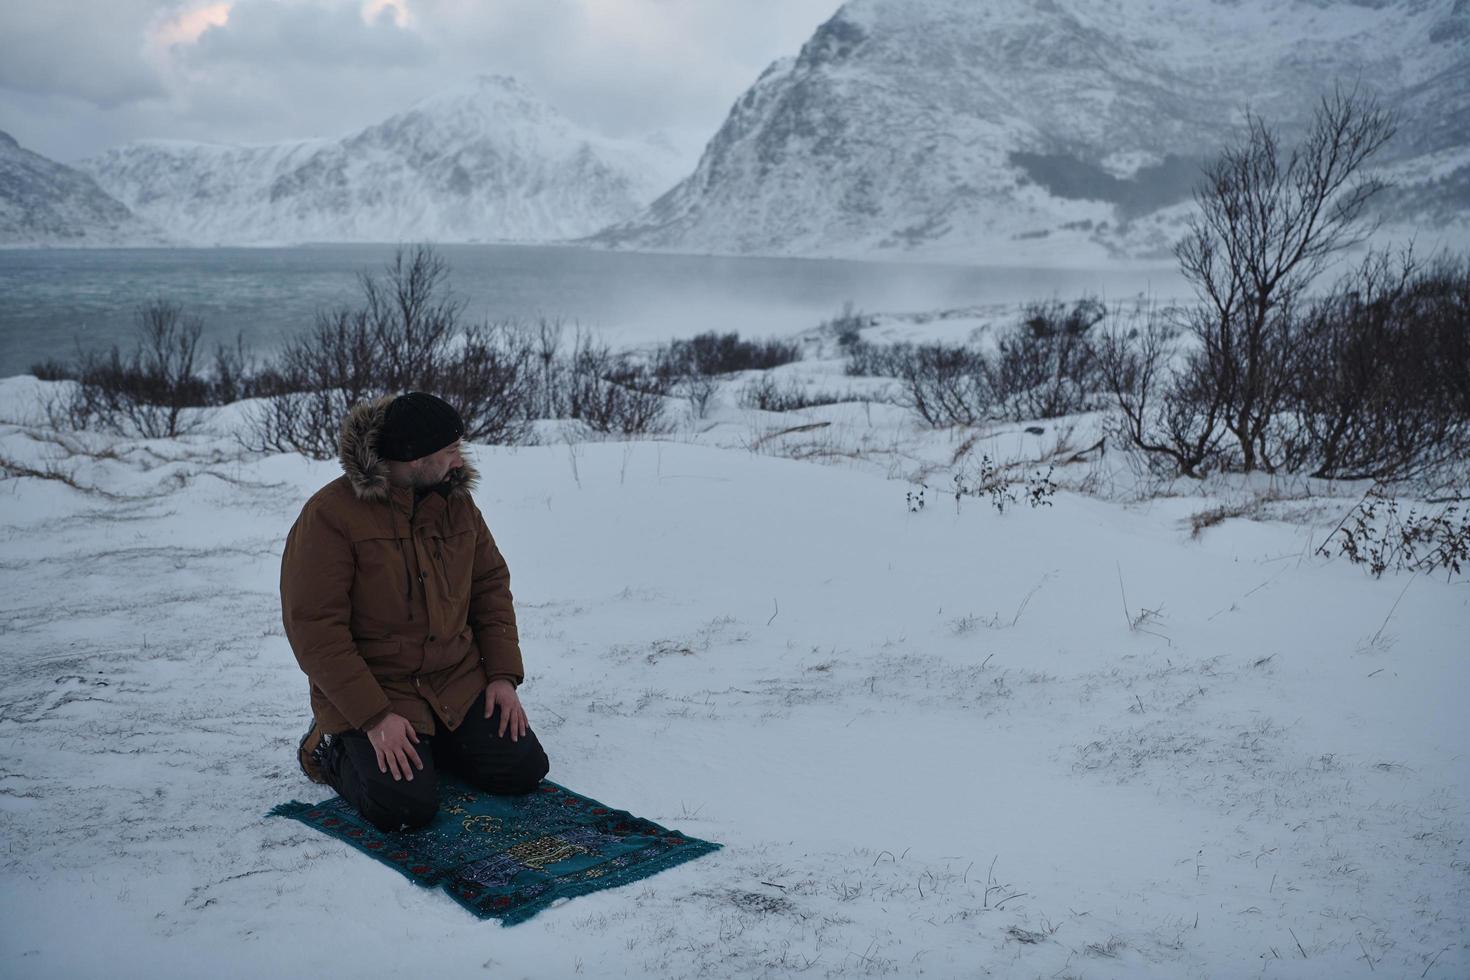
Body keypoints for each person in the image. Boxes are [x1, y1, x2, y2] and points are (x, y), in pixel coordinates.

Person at [280, 391, 549, 832]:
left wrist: (501, 676)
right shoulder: (330, 516)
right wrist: (373, 717)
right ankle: (329, 748)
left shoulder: (457, 505)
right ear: (412, 458)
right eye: (448, 452)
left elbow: (490, 586)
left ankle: (431, 740)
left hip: (454, 681)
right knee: (405, 807)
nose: (459, 462)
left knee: (521, 770)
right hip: (378, 689)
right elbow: (315, 629)